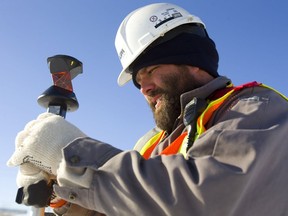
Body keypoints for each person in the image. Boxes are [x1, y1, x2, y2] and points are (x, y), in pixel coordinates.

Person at [7, 3, 288, 216]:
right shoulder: (151, 143)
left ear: (193, 61)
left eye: (151, 70)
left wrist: (72, 154)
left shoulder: (256, 110)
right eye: (138, 81)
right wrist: (63, 193)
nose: (145, 88)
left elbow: (207, 199)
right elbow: (130, 207)